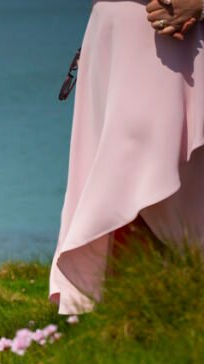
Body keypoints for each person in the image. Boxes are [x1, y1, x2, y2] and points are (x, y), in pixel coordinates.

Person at [50, 0, 203, 314]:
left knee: (186, 184)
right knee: (124, 179)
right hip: (120, 36)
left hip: (187, 38)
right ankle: (131, 316)